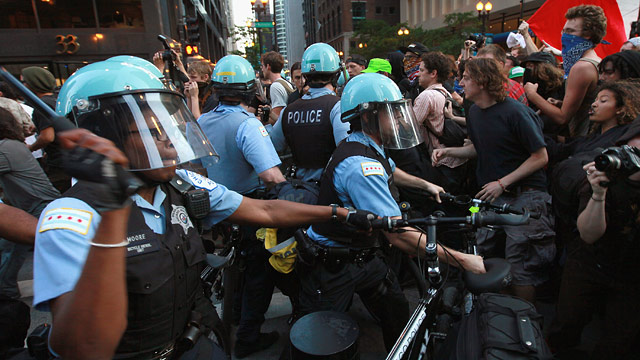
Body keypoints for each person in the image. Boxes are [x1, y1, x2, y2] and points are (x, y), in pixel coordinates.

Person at [32, 56, 374, 360]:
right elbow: (83, 348)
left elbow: (265, 212)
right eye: (152, 132)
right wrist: (111, 206)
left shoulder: (179, 184)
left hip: (195, 344)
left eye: (168, 127)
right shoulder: (70, 218)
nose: (169, 142)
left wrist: (337, 213)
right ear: (103, 139)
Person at [297, 73, 486, 352]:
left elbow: (391, 170)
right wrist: (463, 261)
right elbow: (398, 235)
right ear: (367, 117)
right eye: (391, 113)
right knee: (321, 343)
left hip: (363, 256)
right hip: (333, 266)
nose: (399, 120)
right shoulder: (360, 166)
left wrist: (425, 184)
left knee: (396, 313)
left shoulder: (367, 146)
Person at [432, 58, 555, 303]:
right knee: (482, 252)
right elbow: (479, 149)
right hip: (491, 197)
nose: (460, 82)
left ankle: (524, 321)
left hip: (526, 196)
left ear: (483, 81)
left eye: (466, 77)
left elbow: (540, 157)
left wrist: (502, 183)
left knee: (521, 265)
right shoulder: (475, 112)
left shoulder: (516, 112)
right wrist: (448, 152)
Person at [197, 54, 293, 357]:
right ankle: (248, 338)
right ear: (250, 89)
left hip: (210, 214)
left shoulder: (201, 120)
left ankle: (235, 318)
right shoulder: (248, 125)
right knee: (259, 273)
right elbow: (270, 176)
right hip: (247, 210)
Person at [548, 126, 640, 359]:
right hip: (590, 261)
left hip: (632, 273)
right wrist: (598, 194)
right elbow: (589, 234)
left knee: (618, 340)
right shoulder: (607, 172)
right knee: (567, 324)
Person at [0, 107, 60, 299]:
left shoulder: (5, 149)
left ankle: (6, 295)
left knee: (8, 251)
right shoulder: (12, 145)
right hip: (38, 206)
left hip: (38, 207)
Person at [270, 42, 350, 183]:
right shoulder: (337, 107)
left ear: (306, 76)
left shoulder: (288, 111)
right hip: (330, 188)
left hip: (299, 189)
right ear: (336, 75)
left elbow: (273, 147)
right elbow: (347, 153)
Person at [525, 5, 606, 137]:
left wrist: (532, 95)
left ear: (588, 35)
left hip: (580, 140)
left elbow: (563, 118)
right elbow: (587, 105)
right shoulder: (596, 61)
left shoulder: (582, 67)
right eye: (564, 31)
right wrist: (560, 103)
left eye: (570, 31)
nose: (564, 36)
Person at [413, 51, 467, 193]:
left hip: (441, 161)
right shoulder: (444, 92)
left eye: (422, 70)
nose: (418, 74)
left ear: (433, 73)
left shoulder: (426, 96)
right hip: (457, 158)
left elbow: (410, 128)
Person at [21, 66, 71, 192]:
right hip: (69, 159)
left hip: (59, 165)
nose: (22, 87)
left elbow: (48, 136)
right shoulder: (58, 100)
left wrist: (30, 148)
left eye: (24, 82)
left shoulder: (41, 105)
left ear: (33, 84)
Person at [261, 51, 294, 124]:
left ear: (268, 66)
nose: (262, 69)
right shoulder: (286, 83)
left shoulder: (275, 86)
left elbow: (276, 119)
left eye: (263, 66)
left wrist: (259, 120)